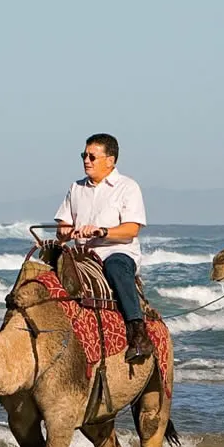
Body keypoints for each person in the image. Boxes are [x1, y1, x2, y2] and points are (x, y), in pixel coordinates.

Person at [55, 132, 154, 363]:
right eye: (84, 155)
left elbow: (131, 229)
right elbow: (63, 224)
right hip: (81, 255)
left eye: (92, 156)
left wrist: (102, 231)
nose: (86, 160)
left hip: (115, 251)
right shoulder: (76, 187)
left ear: (110, 160)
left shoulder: (127, 187)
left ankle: (138, 333)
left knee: (116, 267)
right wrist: (65, 232)